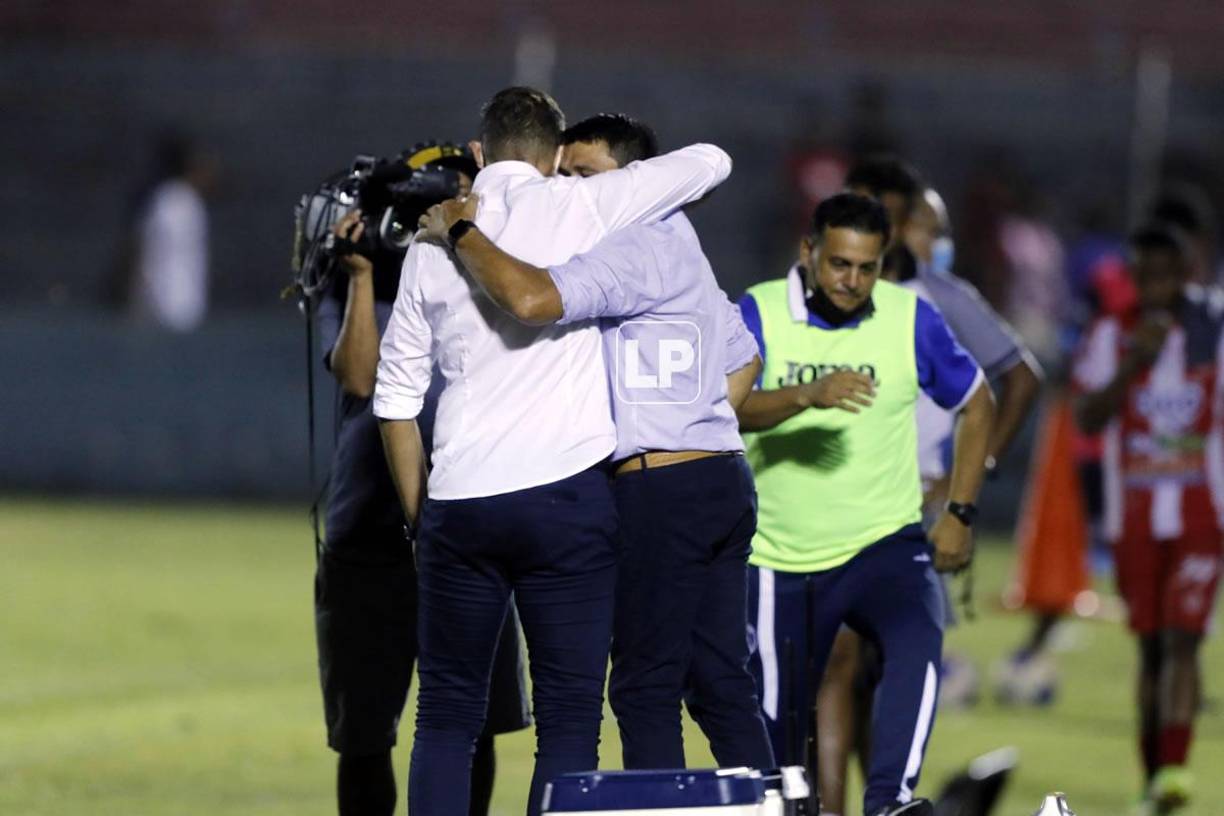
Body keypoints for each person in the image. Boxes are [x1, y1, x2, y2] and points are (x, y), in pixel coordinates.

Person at [372, 87, 732, 816]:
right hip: (567, 501)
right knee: (569, 719)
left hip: (460, 500)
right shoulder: (585, 205)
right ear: (557, 153)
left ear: (480, 152)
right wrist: (627, 180)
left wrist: (421, 521)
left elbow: (395, 401)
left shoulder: (431, 243)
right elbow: (712, 161)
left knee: (446, 715)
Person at [736, 193, 995, 816]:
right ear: (809, 252)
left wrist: (959, 512)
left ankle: (889, 802)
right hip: (780, 559)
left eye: (867, 268)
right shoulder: (758, 310)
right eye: (839, 264)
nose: (852, 281)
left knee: (918, 635)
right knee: (776, 749)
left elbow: (978, 400)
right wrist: (808, 394)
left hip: (884, 543)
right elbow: (728, 407)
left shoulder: (910, 318)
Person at [311, 145, 529, 816]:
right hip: (368, 536)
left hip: (468, 528)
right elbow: (359, 378)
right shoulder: (361, 278)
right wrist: (358, 276)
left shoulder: (497, 273)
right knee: (364, 736)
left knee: (475, 724)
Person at [1074, 224, 1224, 814]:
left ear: (1185, 275)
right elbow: (1087, 418)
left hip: (1201, 514)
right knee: (1150, 650)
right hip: (1133, 515)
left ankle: (1175, 770)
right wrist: (1135, 361)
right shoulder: (1111, 334)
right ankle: (1151, 774)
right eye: (1146, 276)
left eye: (1167, 275)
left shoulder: (1213, 333)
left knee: (1184, 639)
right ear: (1133, 278)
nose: (1156, 287)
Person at [129, 130, 216, 331]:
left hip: (177, 308)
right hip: (168, 308)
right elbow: (147, 252)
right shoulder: (173, 201)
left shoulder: (181, 201)